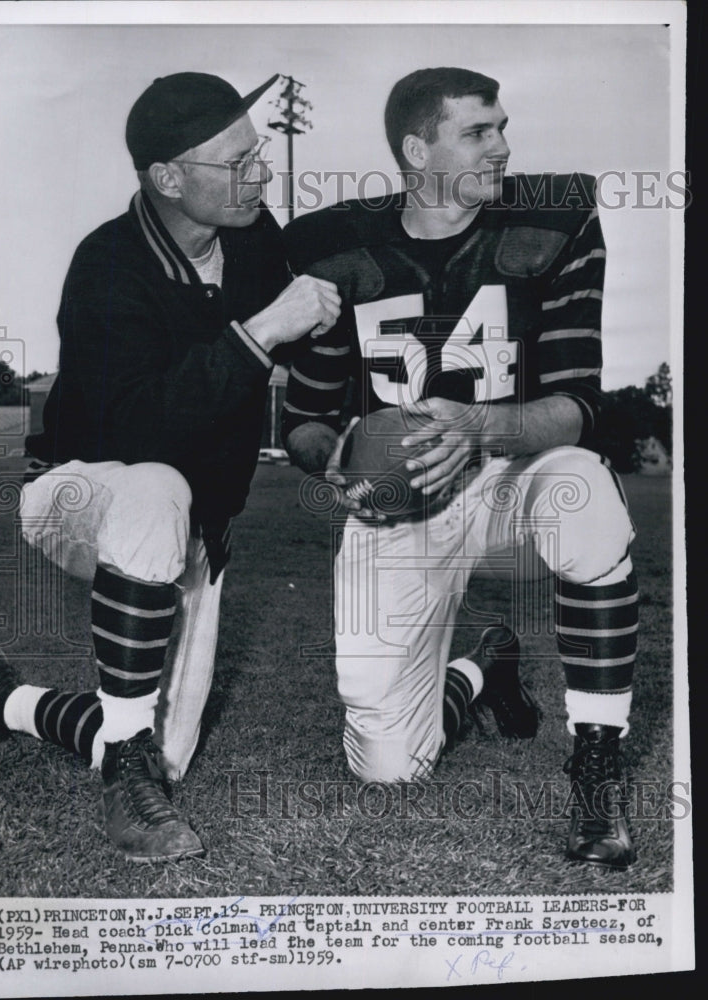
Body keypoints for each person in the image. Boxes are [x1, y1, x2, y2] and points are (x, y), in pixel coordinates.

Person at [0, 71, 341, 863]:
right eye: (235, 163)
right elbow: (133, 430)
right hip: (77, 489)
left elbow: (318, 338)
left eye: (259, 155)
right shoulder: (106, 263)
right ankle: (126, 796)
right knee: (154, 485)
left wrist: (339, 438)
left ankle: (1, 697)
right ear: (168, 178)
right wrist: (262, 331)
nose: (260, 174)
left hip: (193, 527)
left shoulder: (250, 240)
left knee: (157, 750)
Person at [281, 67, 638, 868]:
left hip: (516, 476)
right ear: (417, 149)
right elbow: (304, 422)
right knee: (386, 765)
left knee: (584, 494)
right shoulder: (331, 247)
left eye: (502, 126)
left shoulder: (555, 221)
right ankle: (484, 665)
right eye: (478, 132)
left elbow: (580, 403)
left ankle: (597, 761)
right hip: (403, 503)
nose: (503, 146)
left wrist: (480, 426)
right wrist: (334, 461)